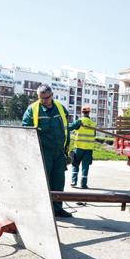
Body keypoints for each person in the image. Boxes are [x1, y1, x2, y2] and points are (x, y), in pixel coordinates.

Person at [22, 84, 72, 218]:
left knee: (58, 180)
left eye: (46, 98)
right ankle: (41, 209)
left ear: (51, 95)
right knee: (43, 181)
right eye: (41, 98)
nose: (43, 101)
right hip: (43, 152)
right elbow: (25, 129)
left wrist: (67, 150)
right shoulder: (32, 109)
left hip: (59, 152)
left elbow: (67, 128)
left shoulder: (61, 108)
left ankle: (57, 209)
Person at [70, 105, 96, 189]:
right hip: (88, 149)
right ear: (89, 112)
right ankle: (83, 184)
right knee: (85, 167)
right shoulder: (93, 124)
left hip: (79, 147)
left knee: (75, 164)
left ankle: (74, 181)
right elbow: (94, 135)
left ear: (82, 112)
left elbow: (70, 128)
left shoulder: (79, 121)